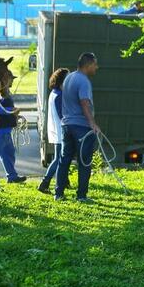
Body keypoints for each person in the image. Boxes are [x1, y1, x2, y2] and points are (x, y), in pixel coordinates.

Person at [53, 53, 100, 203]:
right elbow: (84, 103)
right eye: (95, 65)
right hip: (81, 126)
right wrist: (92, 123)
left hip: (67, 125)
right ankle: (81, 196)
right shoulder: (84, 81)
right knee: (84, 161)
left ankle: (58, 193)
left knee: (64, 159)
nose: (96, 68)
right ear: (88, 65)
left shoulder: (69, 77)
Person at [38, 68, 69, 194]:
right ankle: (45, 183)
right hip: (61, 131)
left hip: (57, 131)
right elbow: (63, 115)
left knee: (60, 158)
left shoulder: (54, 92)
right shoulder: (59, 95)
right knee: (58, 159)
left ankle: (64, 181)